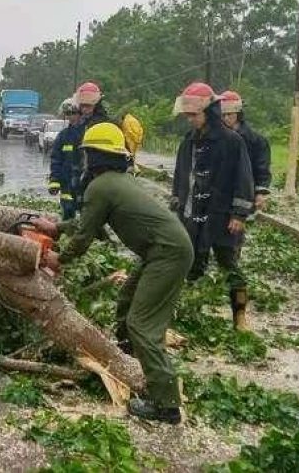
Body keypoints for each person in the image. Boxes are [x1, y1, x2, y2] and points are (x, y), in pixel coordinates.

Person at [33, 122, 193, 424]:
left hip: (167, 254)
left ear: (96, 156)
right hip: (164, 250)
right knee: (126, 300)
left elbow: (84, 237)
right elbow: (91, 224)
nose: (85, 160)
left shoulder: (101, 185)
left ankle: (166, 405)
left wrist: (59, 259)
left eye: (88, 154)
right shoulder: (114, 181)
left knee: (142, 325)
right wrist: (56, 227)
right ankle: (128, 359)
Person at [171, 82, 255, 330]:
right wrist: (176, 204)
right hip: (192, 216)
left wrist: (239, 214)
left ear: (209, 111)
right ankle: (190, 311)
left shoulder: (232, 142)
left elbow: (244, 180)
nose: (190, 120)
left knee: (230, 266)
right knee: (192, 265)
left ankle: (240, 317)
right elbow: (180, 177)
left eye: (194, 115)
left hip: (221, 216)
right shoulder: (188, 141)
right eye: (187, 115)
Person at [220, 90, 272, 211]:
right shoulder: (216, 139)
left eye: (230, 114)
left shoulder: (257, 141)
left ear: (238, 113)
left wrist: (260, 193)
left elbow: (262, 169)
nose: (226, 118)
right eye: (223, 115)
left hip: (245, 195)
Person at [48, 98, 85, 219]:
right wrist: (54, 180)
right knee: (67, 214)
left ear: (80, 114)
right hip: (67, 184)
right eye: (68, 114)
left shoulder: (88, 133)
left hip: (84, 183)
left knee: (86, 217)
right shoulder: (63, 136)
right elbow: (56, 160)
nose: (70, 117)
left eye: (73, 113)